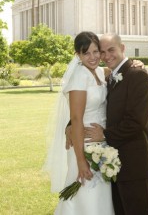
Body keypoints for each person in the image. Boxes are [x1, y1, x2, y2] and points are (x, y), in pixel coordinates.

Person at [84, 33, 148, 215]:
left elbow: (137, 121)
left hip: (135, 164)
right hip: (113, 163)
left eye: (111, 50)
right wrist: (71, 125)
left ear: (122, 48)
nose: (107, 55)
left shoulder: (137, 75)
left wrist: (105, 135)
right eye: (102, 52)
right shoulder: (110, 77)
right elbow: (95, 107)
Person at [44, 31, 115, 214]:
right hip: (83, 146)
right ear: (78, 55)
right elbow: (76, 119)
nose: (92, 57)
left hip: (101, 142)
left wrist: (136, 63)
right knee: (84, 195)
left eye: (95, 51)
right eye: (86, 53)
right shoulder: (79, 77)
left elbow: (119, 67)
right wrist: (81, 161)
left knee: (100, 196)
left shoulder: (100, 71)